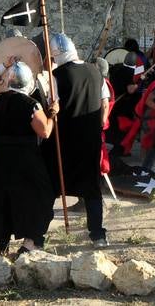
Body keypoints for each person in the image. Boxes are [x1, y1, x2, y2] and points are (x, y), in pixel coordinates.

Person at [0, 61, 57, 255]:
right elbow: (44, 131)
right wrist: (52, 115)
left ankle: (1, 248)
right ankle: (29, 243)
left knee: (2, 200)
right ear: (28, 82)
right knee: (38, 198)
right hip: (24, 157)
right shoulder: (30, 104)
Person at [43, 32, 110, 247]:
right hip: (90, 141)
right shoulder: (96, 71)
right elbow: (105, 104)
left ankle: (38, 235)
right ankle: (98, 235)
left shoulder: (57, 75)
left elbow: (54, 107)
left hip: (63, 141)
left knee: (52, 187)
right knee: (91, 188)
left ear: (55, 55)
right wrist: (98, 126)